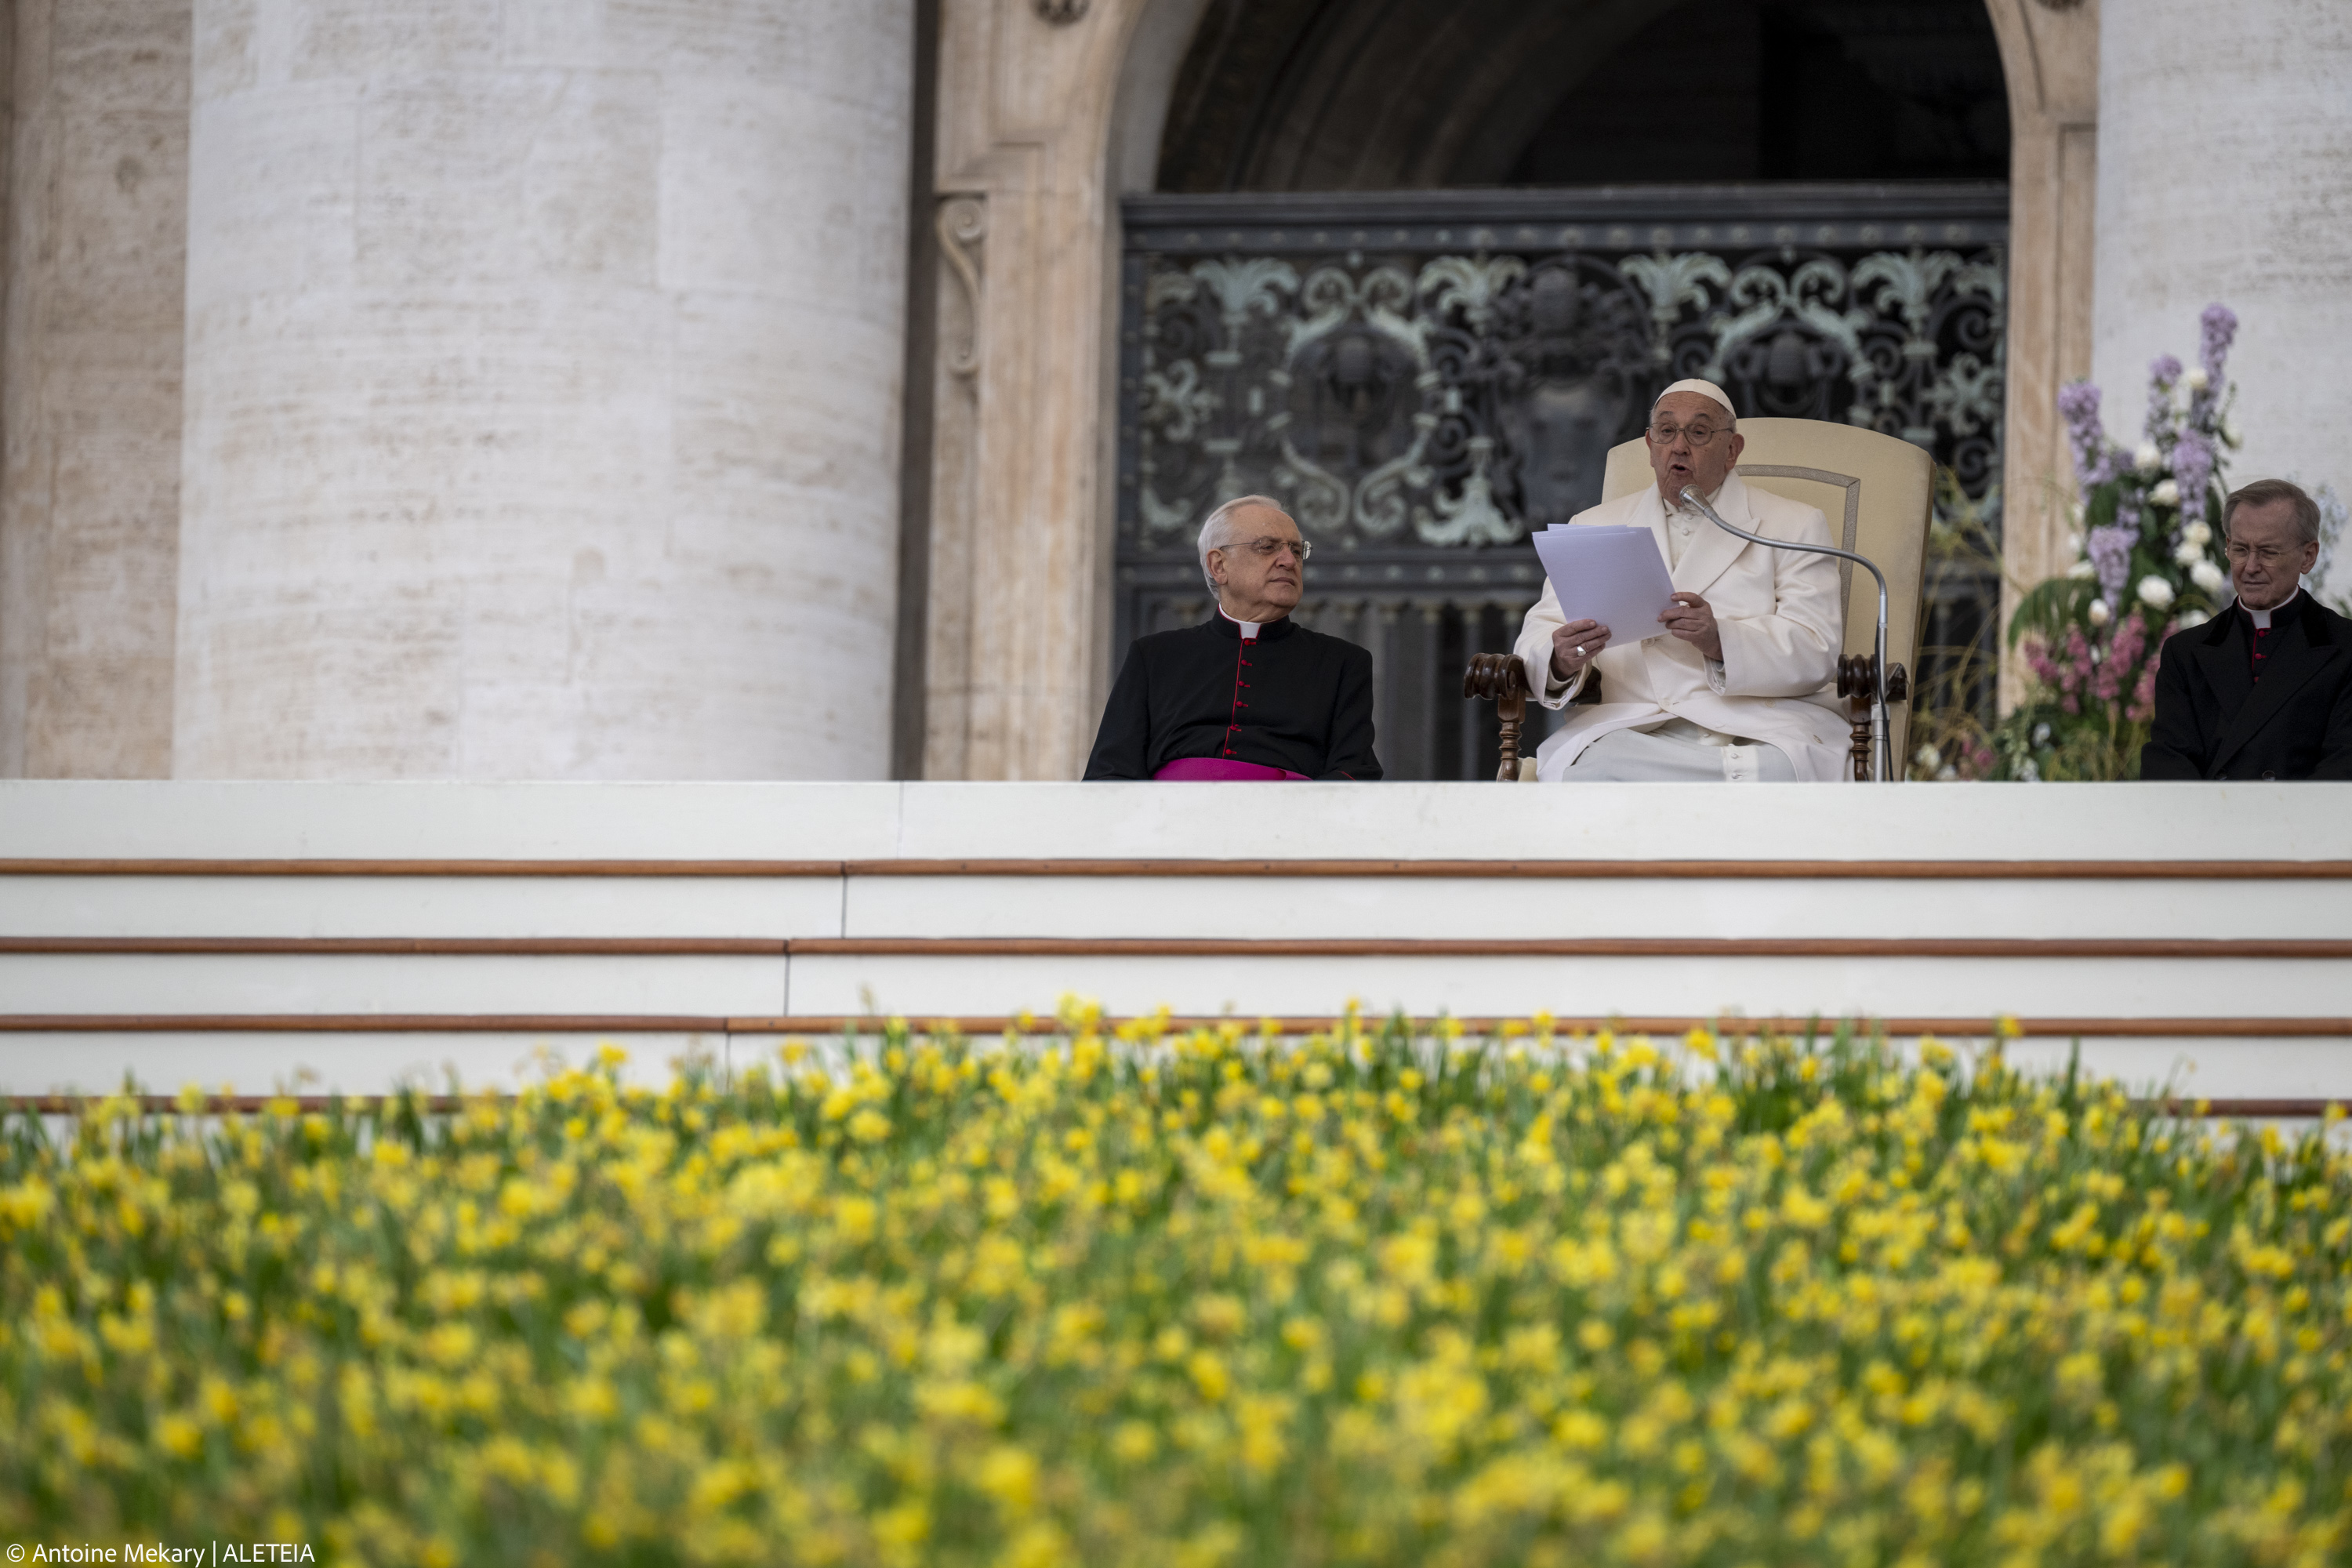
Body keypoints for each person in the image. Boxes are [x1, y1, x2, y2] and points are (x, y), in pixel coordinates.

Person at [1512, 379, 1849, 782]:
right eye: (1666, 431)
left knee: (1777, 772)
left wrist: (1720, 640)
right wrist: (1561, 658)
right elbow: (1540, 633)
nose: (1679, 445)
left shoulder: (1792, 523)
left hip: (1757, 729)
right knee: (1591, 772)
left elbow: (1817, 648)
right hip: (1632, 729)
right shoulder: (1594, 525)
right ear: (1650, 447)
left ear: (1732, 451)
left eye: (1699, 431)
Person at [1083, 495, 1381, 780]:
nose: (1289, 561)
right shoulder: (1153, 657)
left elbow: (1355, 771)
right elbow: (1110, 771)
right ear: (1219, 566)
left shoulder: (1343, 663)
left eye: (1296, 549)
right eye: (1268, 547)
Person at [2142, 478, 2352, 780]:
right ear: (2227, 547)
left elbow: (2343, 768)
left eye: (2268, 552)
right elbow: (2169, 762)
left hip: (2302, 823)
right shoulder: (2184, 653)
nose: (2250, 566)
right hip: (2210, 822)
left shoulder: (2345, 647)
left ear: (2308, 556)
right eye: (2240, 549)